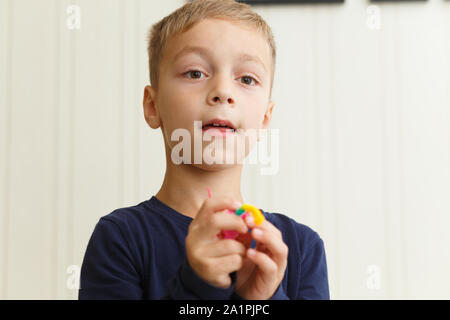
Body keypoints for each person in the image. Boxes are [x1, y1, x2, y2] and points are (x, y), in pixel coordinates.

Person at [78, 0, 329, 300]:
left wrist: (264, 299)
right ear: (152, 106)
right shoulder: (120, 238)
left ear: (264, 119)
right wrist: (197, 287)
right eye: (195, 73)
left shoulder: (301, 249)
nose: (223, 91)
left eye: (246, 79)